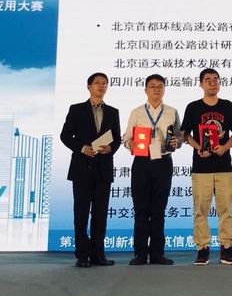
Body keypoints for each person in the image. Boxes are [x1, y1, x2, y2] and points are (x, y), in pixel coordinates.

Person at [181, 68, 232, 265]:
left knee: (226, 210)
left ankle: (227, 249)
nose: (213, 82)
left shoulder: (227, 105)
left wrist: (225, 147)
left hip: (224, 167)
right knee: (201, 211)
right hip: (201, 168)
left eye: (216, 79)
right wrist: (198, 147)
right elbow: (185, 134)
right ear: (201, 84)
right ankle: (202, 249)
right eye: (208, 80)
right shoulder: (193, 107)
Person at [60, 72, 121, 268]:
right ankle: (82, 255)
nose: (101, 86)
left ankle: (98, 255)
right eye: (97, 83)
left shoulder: (113, 112)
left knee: (100, 215)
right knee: (81, 214)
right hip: (82, 169)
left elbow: (117, 139)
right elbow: (65, 135)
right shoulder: (76, 109)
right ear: (89, 86)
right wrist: (82, 148)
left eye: (104, 83)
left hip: (103, 170)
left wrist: (111, 148)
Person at [121, 74, 182, 266]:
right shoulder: (137, 112)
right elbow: (126, 138)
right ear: (145, 89)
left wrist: (177, 142)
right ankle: (140, 253)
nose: (156, 89)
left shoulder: (172, 111)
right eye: (152, 86)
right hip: (141, 162)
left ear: (164, 89)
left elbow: (179, 137)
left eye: (160, 86)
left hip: (163, 162)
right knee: (141, 209)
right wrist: (130, 144)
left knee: (159, 210)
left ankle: (157, 253)